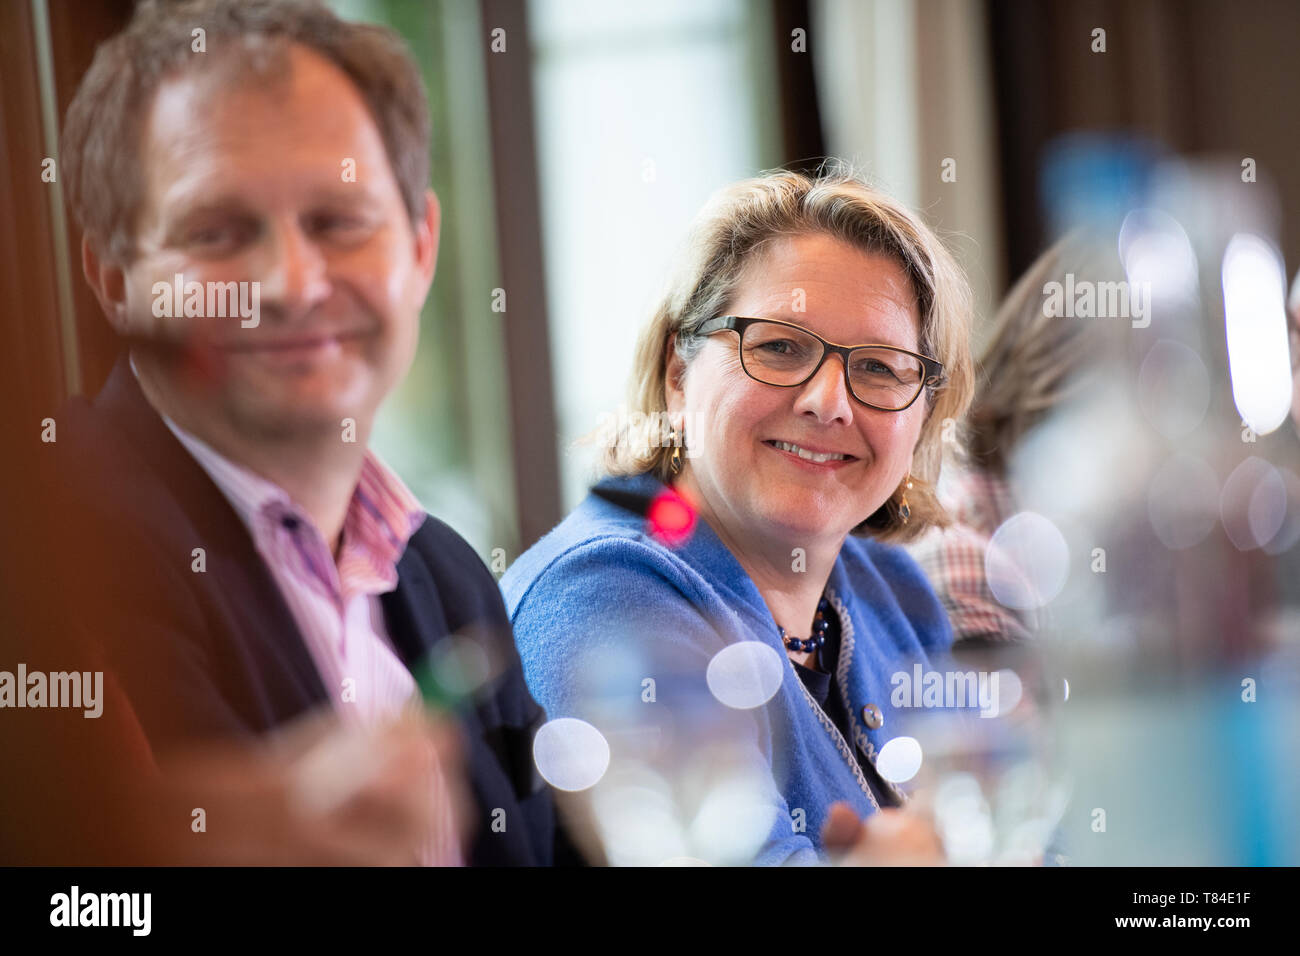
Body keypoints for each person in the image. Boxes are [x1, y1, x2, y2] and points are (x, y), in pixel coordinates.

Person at [46, 0, 566, 865]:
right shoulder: (47, 547)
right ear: (113, 281)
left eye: (337, 222)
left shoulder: (453, 577)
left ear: (421, 250)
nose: (289, 284)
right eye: (216, 231)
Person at [502, 167, 974, 864]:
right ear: (678, 375)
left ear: (924, 416)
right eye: (780, 346)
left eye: (879, 367)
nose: (829, 402)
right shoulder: (601, 595)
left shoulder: (895, 596)